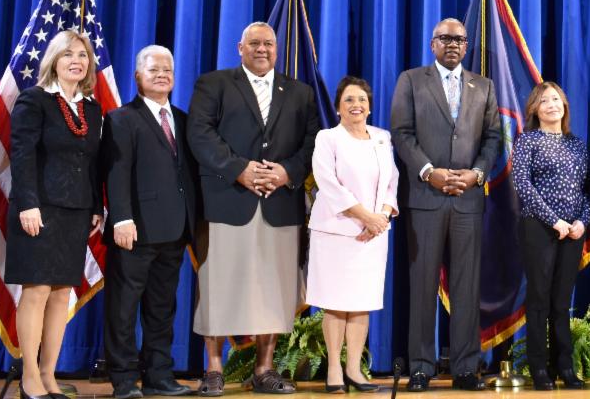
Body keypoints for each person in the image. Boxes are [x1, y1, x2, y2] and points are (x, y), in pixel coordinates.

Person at [187, 22, 319, 396]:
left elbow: (312, 143)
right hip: (228, 201)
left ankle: (264, 368)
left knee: (273, 289)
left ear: (277, 49)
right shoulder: (213, 84)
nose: (263, 49)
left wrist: (287, 172)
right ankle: (213, 369)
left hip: (280, 203)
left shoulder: (301, 92)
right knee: (218, 284)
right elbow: (199, 133)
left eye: (269, 44)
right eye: (255, 43)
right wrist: (239, 170)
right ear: (239, 47)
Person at [390, 18, 502, 392]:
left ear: (467, 46)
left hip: (468, 199)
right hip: (425, 198)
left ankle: (466, 368)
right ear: (432, 44)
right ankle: (421, 367)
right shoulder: (410, 80)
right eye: (445, 38)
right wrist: (427, 172)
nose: (452, 44)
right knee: (422, 284)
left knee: (466, 286)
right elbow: (401, 134)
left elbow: (492, 138)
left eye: (459, 39)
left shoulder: (483, 86)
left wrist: (476, 174)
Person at [6, 29, 103, 399]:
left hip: (76, 211)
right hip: (39, 208)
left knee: (62, 292)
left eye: (82, 55)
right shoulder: (35, 101)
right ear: (54, 60)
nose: (77, 61)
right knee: (37, 289)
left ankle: (48, 374)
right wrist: (28, 204)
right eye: (68, 55)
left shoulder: (91, 109)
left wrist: (95, 207)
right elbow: (22, 155)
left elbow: (92, 163)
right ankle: (29, 376)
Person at [102, 46, 199, 399]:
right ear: (138, 76)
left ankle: (159, 376)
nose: (162, 74)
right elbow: (116, 172)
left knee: (162, 309)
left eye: (168, 69)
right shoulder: (121, 118)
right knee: (124, 309)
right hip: (135, 230)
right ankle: (125, 380)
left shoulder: (184, 120)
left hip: (174, 231)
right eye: (154, 69)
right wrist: (122, 217)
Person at [306, 76, 398, 393]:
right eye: (349, 100)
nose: (356, 105)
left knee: (361, 302)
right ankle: (333, 369)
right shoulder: (327, 138)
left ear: (369, 107)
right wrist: (366, 218)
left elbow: (392, 182)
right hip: (336, 232)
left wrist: (381, 218)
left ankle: (355, 369)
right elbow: (327, 183)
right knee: (335, 303)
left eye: (361, 99)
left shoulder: (382, 138)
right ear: (338, 108)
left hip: (373, 235)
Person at [511, 82, 590, 391]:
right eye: (544, 101)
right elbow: (523, 186)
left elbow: (586, 189)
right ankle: (539, 369)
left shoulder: (578, 144)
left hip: (574, 232)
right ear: (535, 109)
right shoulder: (527, 141)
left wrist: (582, 222)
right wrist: (554, 220)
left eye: (556, 99)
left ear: (564, 105)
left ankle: (565, 367)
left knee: (561, 301)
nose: (551, 105)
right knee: (539, 298)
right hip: (538, 228)